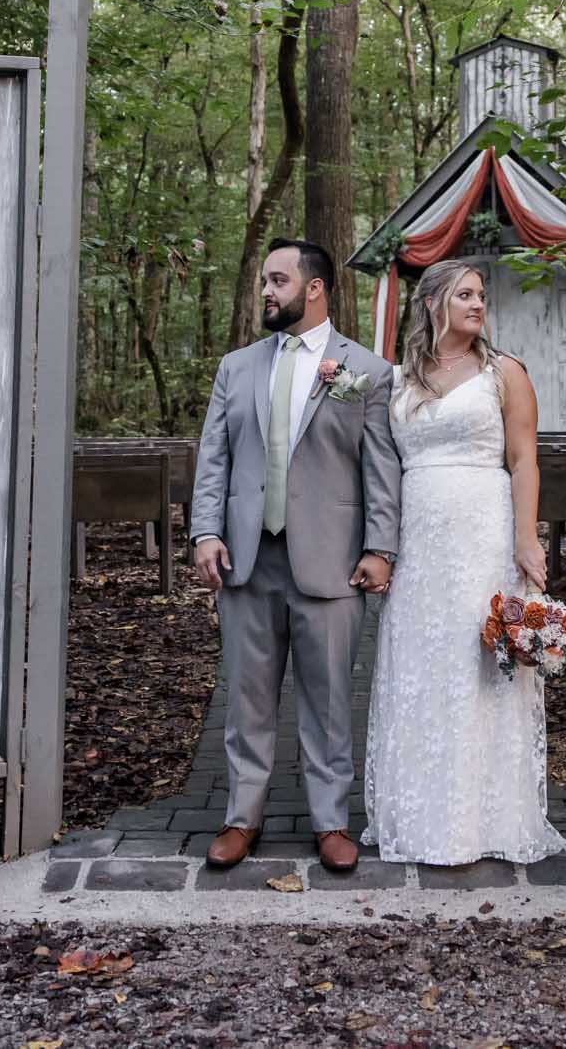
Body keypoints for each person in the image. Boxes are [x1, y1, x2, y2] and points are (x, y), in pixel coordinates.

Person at [187, 238, 400, 873]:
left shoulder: (365, 372)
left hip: (331, 559)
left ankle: (331, 819)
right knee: (247, 697)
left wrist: (381, 546)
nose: (266, 292)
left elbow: (380, 467)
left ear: (314, 288)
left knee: (330, 698)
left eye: (277, 280)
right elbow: (214, 458)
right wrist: (205, 533)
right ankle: (241, 817)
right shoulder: (238, 366)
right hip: (248, 558)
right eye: (264, 282)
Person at [361, 257, 566, 865]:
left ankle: (489, 823)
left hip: (484, 530)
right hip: (421, 538)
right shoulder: (398, 379)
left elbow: (524, 458)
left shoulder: (505, 372)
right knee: (421, 668)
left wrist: (526, 538)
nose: (478, 305)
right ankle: (420, 817)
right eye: (465, 295)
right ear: (433, 304)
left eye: (481, 295)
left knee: (482, 669)